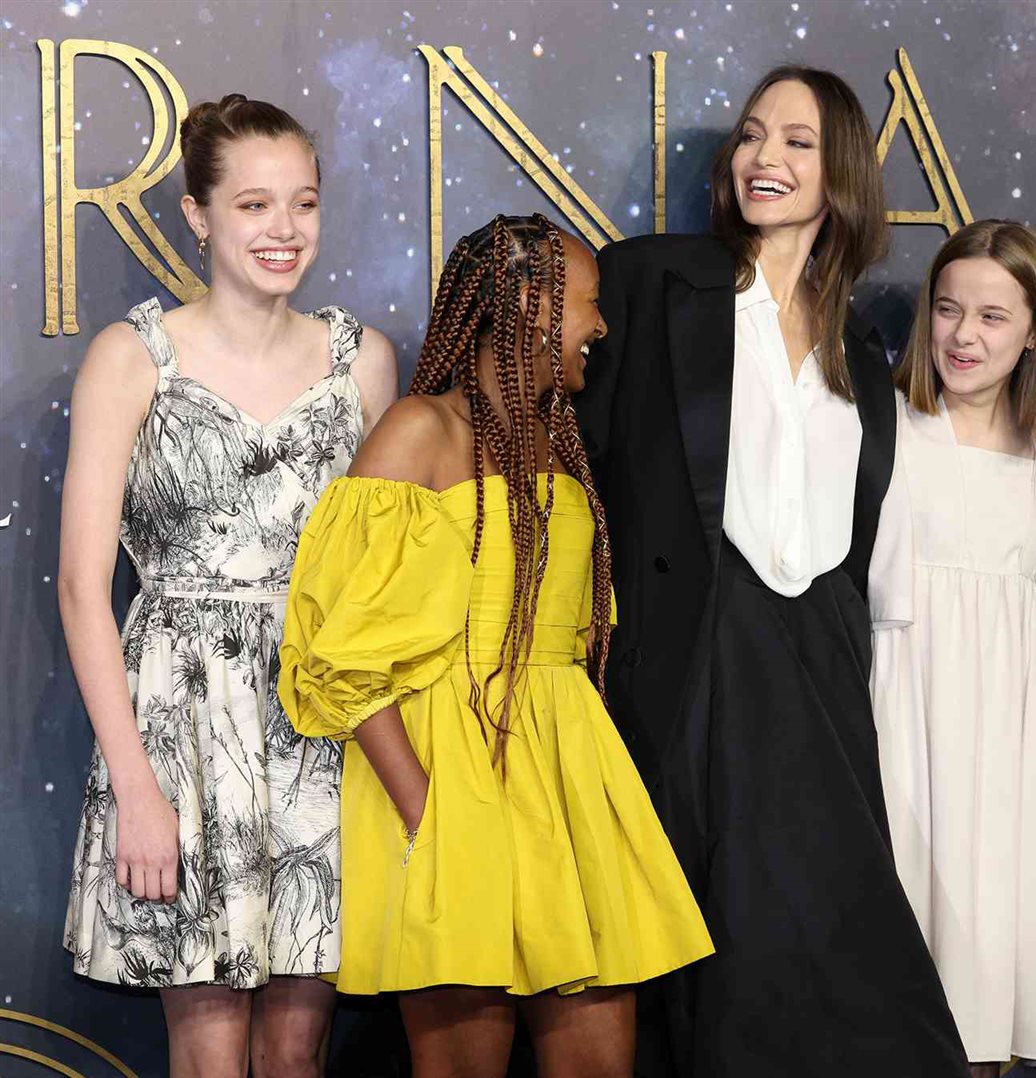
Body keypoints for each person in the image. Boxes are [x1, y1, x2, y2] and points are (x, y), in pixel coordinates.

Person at [577, 65, 968, 1078]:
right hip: (695, 656)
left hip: (822, 665)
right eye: (753, 135)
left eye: (798, 142)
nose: (764, 157)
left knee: (846, 948)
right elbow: (575, 461)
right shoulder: (651, 280)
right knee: (710, 958)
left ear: (842, 173)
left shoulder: (861, 348)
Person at [277, 214, 712, 1078]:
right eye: (588, 302)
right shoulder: (419, 431)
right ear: (527, 304)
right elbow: (341, 654)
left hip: (567, 772)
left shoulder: (559, 435)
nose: (600, 325)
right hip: (451, 770)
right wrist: (426, 813)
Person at [58, 94, 396, 1077]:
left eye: (303, 203)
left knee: (298, 1050)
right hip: (181, 730)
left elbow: (383, 576)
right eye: (253, 205)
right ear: (198, 216)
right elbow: (82, 588)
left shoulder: (362, 363)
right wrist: (137, 786)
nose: (284, 229)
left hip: (322, 727)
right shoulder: (132, 359)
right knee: (207, 1050)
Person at [869, 219, 1036, 1075]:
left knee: (989, 971)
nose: (964, 336)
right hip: (902, 720)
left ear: (1035, 331)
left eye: (993, 317)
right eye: (949, 309)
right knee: (898, 969)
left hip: (1007, 741)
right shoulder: (884, 425)